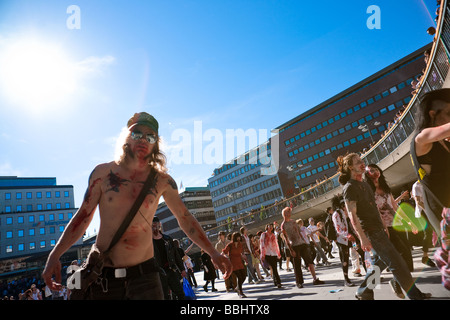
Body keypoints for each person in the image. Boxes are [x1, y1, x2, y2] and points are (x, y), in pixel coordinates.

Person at [42, 112, 231, 300]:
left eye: (150, 136)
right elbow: (83, 217)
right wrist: (55, 255)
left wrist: (212, 251)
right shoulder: (102, 173)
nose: (143, 139)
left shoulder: (162, 181)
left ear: (156, 143)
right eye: (137, 133)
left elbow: (184, 218)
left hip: (145, 277)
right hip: (104, 278)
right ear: (126, 136)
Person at [337, 152, 431, 300]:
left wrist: (384, 226)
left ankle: (364, 291)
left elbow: (374, 207)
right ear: (350, 167)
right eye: (357, 162)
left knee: (379, 263)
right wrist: (362, 238)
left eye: (362, 160)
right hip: (370, 231)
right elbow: (352, 215)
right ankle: (415, 295)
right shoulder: (349, 187)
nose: (362, 163)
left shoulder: (365, 185)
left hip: (379, 229)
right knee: (397, 263)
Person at [412, 88, 450, 289]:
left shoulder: (444, 142)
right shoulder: (422, 138)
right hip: (443, 212)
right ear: (433, 115)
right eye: (449, 113)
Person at [364, 163, 418, 273]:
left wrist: (409, 222)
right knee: (395, 253)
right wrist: (382, 227)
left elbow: (395, 206)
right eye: (371, 170)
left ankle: (402, 279)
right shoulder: (368, 191)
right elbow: (373, 212)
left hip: (398, 223)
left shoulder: (386, 188)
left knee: (406, 250)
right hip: (384, 227)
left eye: (376, 168)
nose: (375, 171)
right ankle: (373, 282)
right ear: (367, 175)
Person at [281, 207, 325, 288]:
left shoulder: (293, 221)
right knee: (297, 265)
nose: (290, 214)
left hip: (302, 244)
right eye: (288, 212)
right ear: (284, 214)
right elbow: (286, 238)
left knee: (310, 261)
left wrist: (303, 241)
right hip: (294, 245)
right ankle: (299, 282)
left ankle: (315, 279)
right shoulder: (283, 225)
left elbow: (299, 232)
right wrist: (291, 249)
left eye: (290, 212)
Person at [331, 194, 365, 287]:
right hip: (343, 240)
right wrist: (347, 235)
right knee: (345, 259)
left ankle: (370, 276)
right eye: (344, 204)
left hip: (352, 239)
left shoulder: (346, 212)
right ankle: (346, 279)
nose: (346, 206)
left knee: (362, 252)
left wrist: (357, 234)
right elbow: (338, 229)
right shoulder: (336, 214)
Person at [152, 217, 185, 300]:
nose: (154, 228)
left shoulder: (167, 239)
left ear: (160, 225)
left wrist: (182, 269)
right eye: (152, 226)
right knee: (165, 296)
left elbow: (176, 255)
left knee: (180, 293)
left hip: (171, 270)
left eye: (156, 225)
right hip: (158, 273)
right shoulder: (148, 242)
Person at [411, 180, 436, 267]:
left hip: (431, 210)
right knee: (428, 232)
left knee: (439, 229)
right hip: (423, 212)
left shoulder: (428, 182)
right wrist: (429, 211)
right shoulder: (416, 185)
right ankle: (425, 256)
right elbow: (418, 202)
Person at [222, 232, 248, 298]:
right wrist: (222, 259)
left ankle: (237, 288)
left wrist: (246, 260)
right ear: (235, 237)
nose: (239, 238)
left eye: (239, 237)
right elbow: (224, 252)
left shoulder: (240, 244)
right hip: (233, 264)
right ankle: (241, 293)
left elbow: (241, 253)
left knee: (244, 276)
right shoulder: (230, 245)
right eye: (238, 237)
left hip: (239, 262)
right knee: (239, 277)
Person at [260, 224, 283, 288]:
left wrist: (278, 253)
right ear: (266, 227)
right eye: (269, 226)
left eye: (271, 226)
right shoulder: (263, 234)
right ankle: (277, 281)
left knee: (274, 267)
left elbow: (276, 244)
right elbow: (261, 244)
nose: (270, 227)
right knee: (273, 268)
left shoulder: (273, 235)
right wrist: (262, 254)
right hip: (267, 253)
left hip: (273, 253)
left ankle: (277, 282)